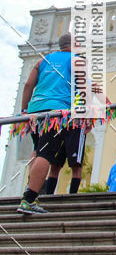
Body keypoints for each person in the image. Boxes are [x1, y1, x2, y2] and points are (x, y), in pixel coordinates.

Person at [17, 33, 97, 214]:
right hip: (56, 111)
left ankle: (32, 192)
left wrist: (24, 110)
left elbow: (28, 85)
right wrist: (87, 116)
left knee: (38, 150)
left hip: (35, 110)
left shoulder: (43, 60)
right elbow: (84, 90)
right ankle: (29, 199)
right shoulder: (77, 60)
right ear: (74, 44)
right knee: (47, 153)